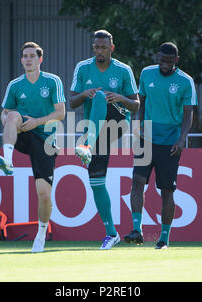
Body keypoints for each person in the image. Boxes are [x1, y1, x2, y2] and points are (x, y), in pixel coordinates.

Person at [70, 30, 139, 250]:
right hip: (96, 128)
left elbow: (136, 105)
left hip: (118, 122)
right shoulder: (83, 68)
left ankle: (86, 145)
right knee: (96, 182)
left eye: (103, 47)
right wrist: (84, 94)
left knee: (101, 96)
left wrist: (119, 97)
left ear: (112, 48)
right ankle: (112, 233)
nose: (99, 51)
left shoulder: (123, 70)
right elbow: (71, 103)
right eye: (96, 47)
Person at [124, 42, 196, 249]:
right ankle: (136, 230)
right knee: (137, 181)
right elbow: (142, 103)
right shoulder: (147, 74)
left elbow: (188, 113)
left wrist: (182, 139)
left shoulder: (185, 81)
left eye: (169, 61)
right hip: (146, 139)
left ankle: (164, 238)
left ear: (177, 60)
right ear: (157, 57)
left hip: (170, 143)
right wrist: (138, 126)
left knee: (166, 190)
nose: (165, 64)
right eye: (162, 60)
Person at [0, 42, 65, 253]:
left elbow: (60, 113)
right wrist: (11, 123)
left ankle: (41, 234)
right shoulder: (15, 85)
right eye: (25, 56)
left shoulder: (53, 81)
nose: (28, 59)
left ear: (40, 59)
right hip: (24, 133)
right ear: (21, 60)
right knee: (13, 114)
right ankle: (7, 160)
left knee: (44, 195)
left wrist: (37, 121)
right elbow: (4, 113)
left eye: (32, 56)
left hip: (46, 140)